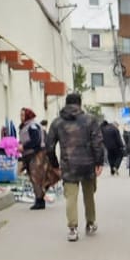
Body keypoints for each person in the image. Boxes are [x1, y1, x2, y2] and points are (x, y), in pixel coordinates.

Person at [46, 92, 106, 241]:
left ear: (66, 103)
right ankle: (90, 223)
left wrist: (54, 165)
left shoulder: (57, 122)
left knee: (71, 197)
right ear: (80, 103)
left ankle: (72, 229)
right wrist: (99, 162)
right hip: (88, 164)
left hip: (68, 165)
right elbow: (97, 143)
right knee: (89, 195)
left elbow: (49, 146)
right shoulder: (90, 120)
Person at [18, 108, 51, 210]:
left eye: (23, 115)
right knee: (34, 178)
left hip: (36, 155)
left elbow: (36, 141)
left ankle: (40, 200)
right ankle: (39, 199)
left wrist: (24, 146)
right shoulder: (26, 126)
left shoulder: (32, 126)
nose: (21, 117)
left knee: (36, 177)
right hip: (29, 155)